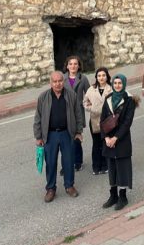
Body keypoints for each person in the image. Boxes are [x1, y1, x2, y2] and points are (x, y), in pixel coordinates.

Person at [33, 71, 83, 203]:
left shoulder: (71, 95)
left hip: (67, 133)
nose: (58, 84)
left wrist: (78, 131)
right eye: (54, 81)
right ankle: (50, 189)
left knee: (68, 160)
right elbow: (38, 117)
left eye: (60, 81)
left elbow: (78, 113)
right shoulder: (43, 97)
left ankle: (69, 186)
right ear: (50, 83)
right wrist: (38, 137)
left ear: (64, 81)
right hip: (50, 135)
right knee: (50, 162)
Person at [100, 74, 137, 211]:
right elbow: (102, 120)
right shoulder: (108, 99)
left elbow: (127, 122)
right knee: (112, 169)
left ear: (124, 84)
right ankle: (113, 195)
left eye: (120, 83)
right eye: (115, 83)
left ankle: (123, 196)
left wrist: (115, 138)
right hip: (109, 141)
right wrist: (106, 138)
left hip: (122, 140)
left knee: (122, 169)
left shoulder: (129, 100)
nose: (117, 85)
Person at [63, 56, 89, 172]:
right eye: (71, 64)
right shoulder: (62, 79)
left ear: (79, 66)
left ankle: (78, 162)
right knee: (65, 141)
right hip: (64, 112)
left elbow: (89, 94)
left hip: (78, 112)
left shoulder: (83, 79)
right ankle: (66, 165)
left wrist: (86, 105)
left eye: (75, 64)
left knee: (76, 139)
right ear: (67, 66)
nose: (73, 66)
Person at [84, 67, 111, 175]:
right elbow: (85, 102)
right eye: (99, 76)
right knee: (96, 144)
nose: (101, 78)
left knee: (105, 142)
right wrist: (92, 109)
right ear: (96, 77)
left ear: (107, 76)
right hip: (94, 121)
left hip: (107, 120)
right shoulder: (91, 89)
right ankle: (96, 167)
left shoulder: (111, 88)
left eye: (103, 75)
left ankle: (105, 165)